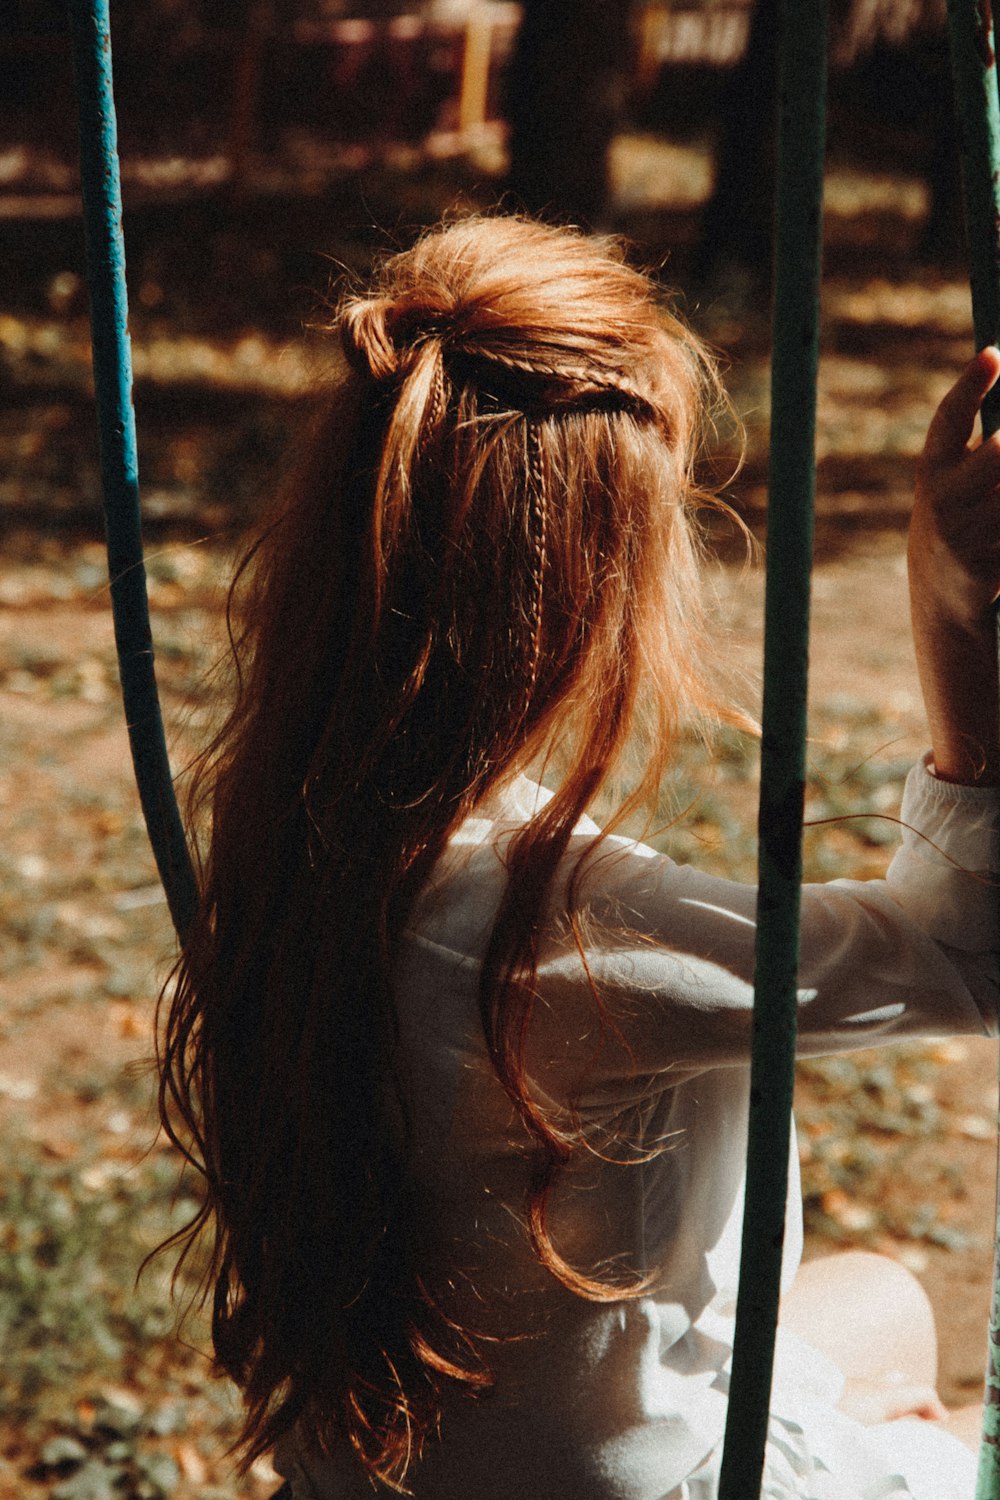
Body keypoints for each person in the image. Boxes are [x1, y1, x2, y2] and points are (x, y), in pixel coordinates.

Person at [158, 216, 1000, 1500]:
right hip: (622, 1489)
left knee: (879, 1301)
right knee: (941, 1436)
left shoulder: (291, 835)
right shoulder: (556, 923)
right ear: (596, 578)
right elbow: (966, 954)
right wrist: (949, 611)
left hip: (392, 1469)